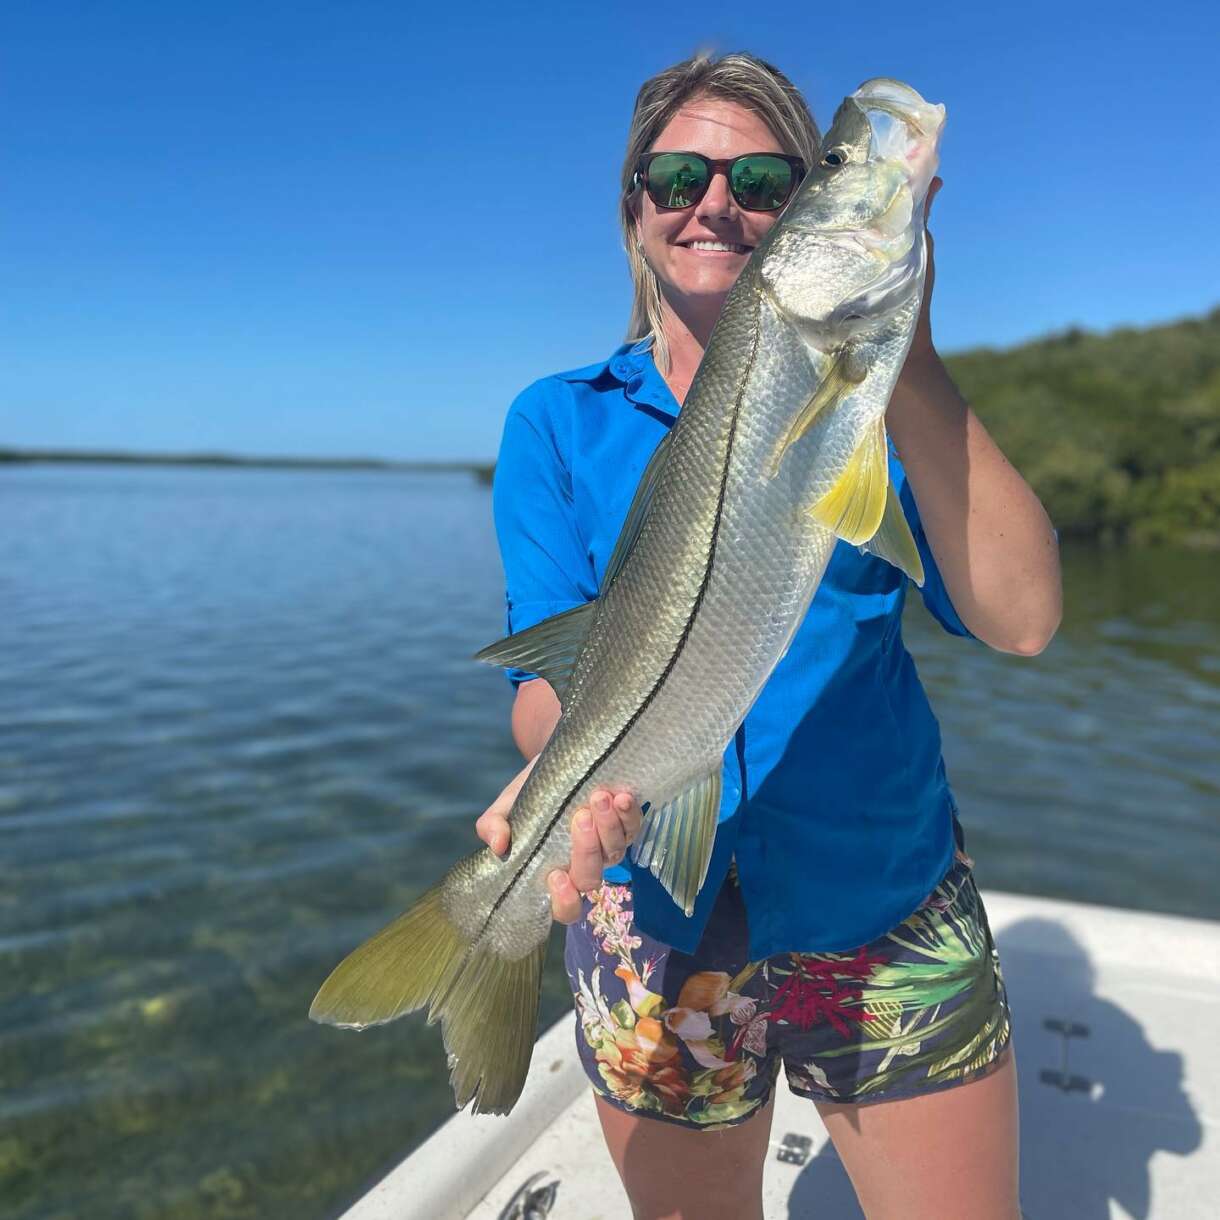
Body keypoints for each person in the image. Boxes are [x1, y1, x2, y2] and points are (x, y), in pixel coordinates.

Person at [476, 52, 1060, 1220]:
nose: (713, 201)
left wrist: (906, 356)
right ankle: (475, 954)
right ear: (634, 207)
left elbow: (1024, 617)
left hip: (878, 897)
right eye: (678, 173)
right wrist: (559, 765)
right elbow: (548, 682)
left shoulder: (879, 402)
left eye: (763, 178)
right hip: (650, 912)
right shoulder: (555, 421)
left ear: (797, 213)